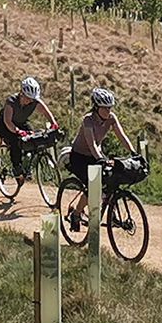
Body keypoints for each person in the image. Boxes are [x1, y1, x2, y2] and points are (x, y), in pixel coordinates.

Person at [62, 87, 135, 233]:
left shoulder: (112, 118)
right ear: (96, 107)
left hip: (97, 156)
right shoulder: (88, 120)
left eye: (109, 108)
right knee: (92, 186)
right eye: (104, 108)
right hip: (80, 157)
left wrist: (133, 152)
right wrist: (101, 159)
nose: (108, 111)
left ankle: (111, 212)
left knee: (109, 180)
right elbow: (92, 143)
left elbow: (122, 137)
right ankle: (76, 214)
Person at [0, 76, 60, 174]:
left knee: (33, 138)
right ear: (22, 94)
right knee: (15, 141)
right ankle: (16, 167)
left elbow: (46, 112)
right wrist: (18, 131)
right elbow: (8, 121)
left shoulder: (35, 102)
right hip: (4, 124)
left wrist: (53, 123)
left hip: (21, 123)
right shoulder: (11, 102)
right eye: (28, 98)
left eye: (32, 99)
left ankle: (28, 165)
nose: (30, 101)